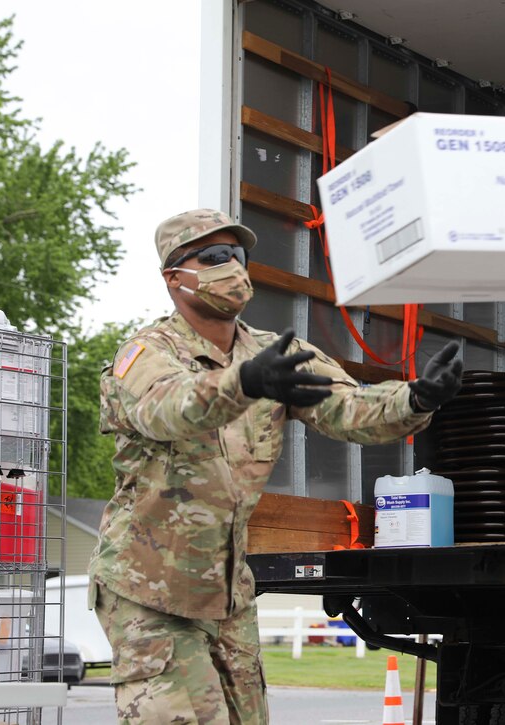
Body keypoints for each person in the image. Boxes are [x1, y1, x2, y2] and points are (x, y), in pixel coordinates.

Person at [88, 208, 462, 723]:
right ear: (174, 277)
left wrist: (416, 400)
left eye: (238, 256)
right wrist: (242, 384)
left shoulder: (274, 354)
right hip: (150, 594)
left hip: (227, 594)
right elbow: (165, 409)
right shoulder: (147, 353)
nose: (233, 268)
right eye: (215, 257)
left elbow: (348, 409)